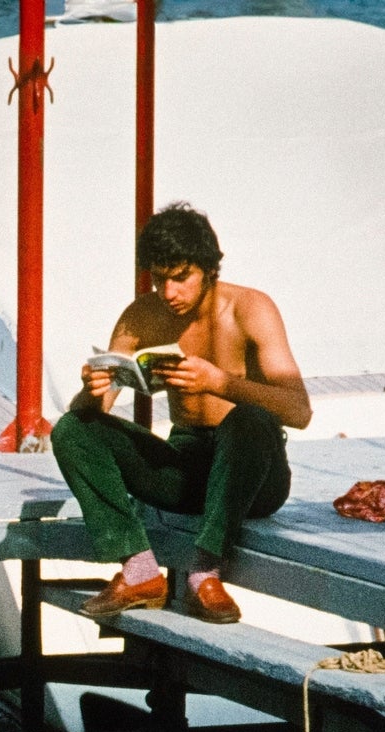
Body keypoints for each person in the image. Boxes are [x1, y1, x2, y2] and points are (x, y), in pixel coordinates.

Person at [53, 203, 311, 624]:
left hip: (254, 476)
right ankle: (139, 571)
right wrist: (91, 388)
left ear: (208, 269)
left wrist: (219, 383)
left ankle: (205, 572)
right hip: (188, 468)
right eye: (158, 279)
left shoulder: (251, 309)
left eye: (180, 277)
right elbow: (93, 415)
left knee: (249, 419)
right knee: (71, 429)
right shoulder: (141, 316)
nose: (168, 292)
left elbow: (299, 411)